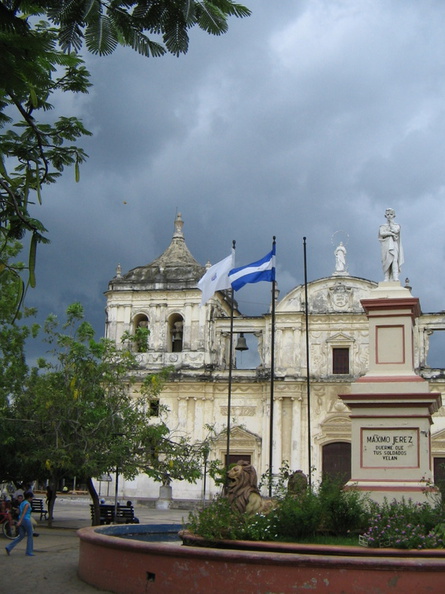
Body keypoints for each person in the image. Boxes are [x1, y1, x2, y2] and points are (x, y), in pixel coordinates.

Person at [5, 491, 35, 556]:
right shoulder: (27, 504)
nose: (32, 499)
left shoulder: (22, 503)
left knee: (21, 536)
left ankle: (9, 547)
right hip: (26, 520)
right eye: (31, 498)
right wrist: (20, 521)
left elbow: (19, 511)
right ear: (29, 497)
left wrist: (19, 520)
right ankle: (29, 551)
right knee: (30, 535)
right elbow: (24, 513)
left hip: (20, 519)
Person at [379, 208, 404, 282]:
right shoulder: (382, 226)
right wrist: (390, 233)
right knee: (386, 260)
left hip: (393, 244)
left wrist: (391, 224)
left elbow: (396, 231)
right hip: (385, 244)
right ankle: (386, 277)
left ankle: (395, 277)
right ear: (385, 216)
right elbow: (381, 233)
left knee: (394, 260)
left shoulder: (397, 225)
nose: (389, 216)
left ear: (394, 216)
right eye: (388, 215)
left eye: (391, 214)